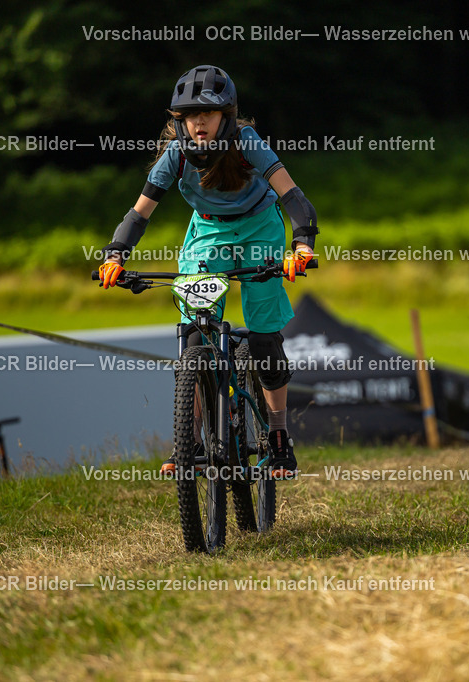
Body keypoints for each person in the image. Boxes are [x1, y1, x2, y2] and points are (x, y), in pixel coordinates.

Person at [97, 65, 317, 479]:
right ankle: (191, 439)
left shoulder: (246, 142)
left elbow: (292, 195)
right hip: (209, 233)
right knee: (196, 333)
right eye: (189, 114)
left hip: (260, 229)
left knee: (265, 338)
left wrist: (302, 245)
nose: (198, 122)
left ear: (226, 116)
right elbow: (140, 212)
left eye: (208, 113)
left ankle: (278, 436)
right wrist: (115, 255)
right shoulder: (176, 154)